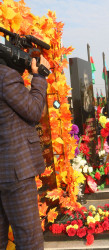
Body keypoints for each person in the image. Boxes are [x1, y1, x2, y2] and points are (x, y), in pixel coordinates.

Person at [0, 56, 50, 249]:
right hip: (14, 171)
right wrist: (38, 77)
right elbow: (33, 110)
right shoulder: (5, 76)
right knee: (28, 239)